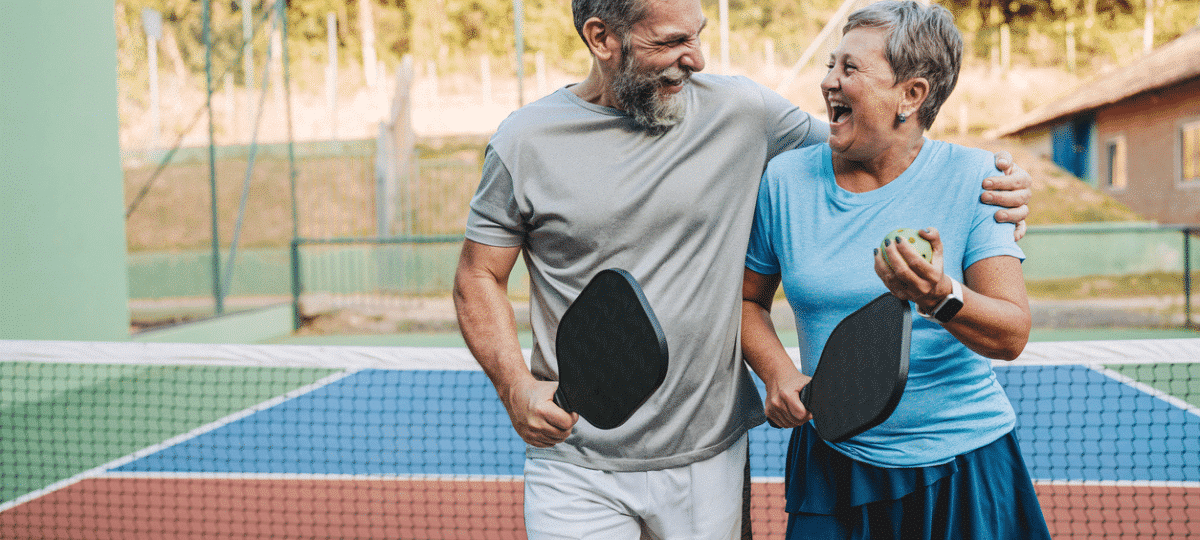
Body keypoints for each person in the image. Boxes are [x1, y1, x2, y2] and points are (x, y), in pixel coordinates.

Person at [453, 0, 1032, 537]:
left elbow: (891, 143)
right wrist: (515, 387)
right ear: (601, 38)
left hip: (709, 457)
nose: (697, 58)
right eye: (671, 40)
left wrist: (998, 186)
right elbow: (478, 276)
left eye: (698, 35)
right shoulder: (524, 142)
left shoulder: (744, 112)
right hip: (577, 455)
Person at [740, 2, 1052, 539]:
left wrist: (941, 296)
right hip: (833, 461)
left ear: (912, 95)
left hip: (963, 467)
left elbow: (1011, 334)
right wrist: (777, 372)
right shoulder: (784, 181)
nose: (828, 81)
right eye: (831, 64)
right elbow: (746, 301)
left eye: (849, 69)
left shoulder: (979, 179)